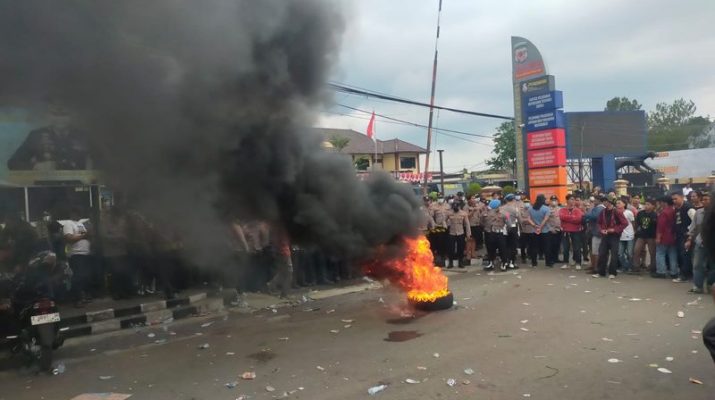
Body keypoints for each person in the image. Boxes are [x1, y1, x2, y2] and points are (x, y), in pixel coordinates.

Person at [100, 204, 132, 300]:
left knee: (122, 272)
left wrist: (122, 237)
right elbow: (104, 236)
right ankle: (115, 292)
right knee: (114, 273)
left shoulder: (122, 222)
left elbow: (126, 234)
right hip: (111, 252)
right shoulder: (105, 222)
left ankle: (123, 292)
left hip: (122, 251)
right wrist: (118, 237)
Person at [63, 208, 92, 307]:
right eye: (77, 212)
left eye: (80, 212)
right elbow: (69, 238)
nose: (79, 214)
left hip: (85, 254)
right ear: (72, 212)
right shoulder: (68, 224)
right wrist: (84, 236)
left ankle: (83, 296)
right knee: (78, 277)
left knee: (84, 276)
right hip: (76, 254)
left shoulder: (80, 224)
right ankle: (77, 299)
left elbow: (85, 235)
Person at [594, 198, 629, 279]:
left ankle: (612, 272)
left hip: (614, 236)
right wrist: (601, 230)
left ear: (610, 203)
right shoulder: (603, 212)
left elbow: (625, 223)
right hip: (605, 235)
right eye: (604, 201)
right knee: (602, 253)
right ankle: (601, 272)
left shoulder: (617, 212)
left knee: (614, 255)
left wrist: (615, 229)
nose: (605, 203)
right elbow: (599, 222)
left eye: (606, 201)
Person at [689, 192, 713, 294]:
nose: (704, 202)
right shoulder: (698, 213)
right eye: (703, 200)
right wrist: (689, 239)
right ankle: (698, 286)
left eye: (707, 199)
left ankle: (710, 285)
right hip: (700, 242)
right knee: (697, 265)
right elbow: (693, 228)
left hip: (712, 244)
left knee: (712, 266)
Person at [672, 192, 696, 283]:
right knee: (682, 255)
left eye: (676, 198)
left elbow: (695, 221)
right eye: (673, 199)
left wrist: (690, 236)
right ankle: (686, 274)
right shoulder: (677, 208)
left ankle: (685, 275)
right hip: (679, 235)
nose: (674, 201)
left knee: (685, 255)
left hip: (687, 235)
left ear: (682, 197)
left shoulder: (688, 208)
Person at [654, 196, 679, 279]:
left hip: (664, 236)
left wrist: (658, 237)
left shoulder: (664, 212)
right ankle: (674, 272)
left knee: (660, 253)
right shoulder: (674, 210)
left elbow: (661, 226)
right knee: (673, 254)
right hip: (673, 236)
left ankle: (661, 272)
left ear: (665, 203)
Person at [559, 194, 584, 270]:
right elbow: (562, 217)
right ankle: (565, 263)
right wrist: (572, 218)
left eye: (573, 199)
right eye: (571, 199)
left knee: (577, 247)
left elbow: (578, 219)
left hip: (576, 231)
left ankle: (578, 262)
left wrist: (568, 219)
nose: (573, 201)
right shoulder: (562, 210)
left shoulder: (578, 210)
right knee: (566, 248)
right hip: (565, 231)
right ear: (567, 200)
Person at [632, 198, 657, 275]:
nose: (646, 206)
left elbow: (657, 226)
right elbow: (636, 223)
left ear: (653, 206)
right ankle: (636, 267)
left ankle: (653, 267)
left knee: (652, 252)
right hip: (641, 236)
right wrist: (636, 230)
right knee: (636, 250)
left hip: (651, 236)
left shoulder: (655, 215)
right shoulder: (640, 213)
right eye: (645, 204)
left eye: (648, 204)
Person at [482, 199, 507, 271]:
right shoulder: (505, 213)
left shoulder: (485, 213)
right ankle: (501, 263)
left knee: (492, 249)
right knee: (500, 249)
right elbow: (508, 223)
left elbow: (481, 222)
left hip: (492, 233)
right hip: (497, 233)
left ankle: (493, 263)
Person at [526, 194, 550, 268]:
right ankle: (548, 263)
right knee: (546, 247)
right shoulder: (546, 208)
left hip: (534, 230)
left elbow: (528, 219)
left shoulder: (530, 208)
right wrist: (540, 227)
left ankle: (534, 263)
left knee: (534, 247)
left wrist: (534, 225)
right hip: (545, 230)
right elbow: (545, 219)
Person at [584, 195, 607, 274]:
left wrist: (587, 212)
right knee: (595, 250)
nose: (593, 202)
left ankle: (596, 268)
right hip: (597, 232)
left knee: (596, 251)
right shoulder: (601, 208)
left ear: (598, 200)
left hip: (597, 232)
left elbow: (591, 216)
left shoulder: (599, 208)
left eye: (594, 201)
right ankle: (595, 266)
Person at [446, 200, 471, 269]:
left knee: (461, 248)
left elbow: (467, 224)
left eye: (456, 207)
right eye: (454, 207)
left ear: (459, 206)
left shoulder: (463, 213)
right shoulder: (449, 213)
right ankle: (450, 262)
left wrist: (468, 234)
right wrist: (445, 225)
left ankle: (461, 262)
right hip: (452, 233)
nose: (455, 208)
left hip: (460, 232)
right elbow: (444, 220)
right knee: (451, 248)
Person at [501, 194, 520, 269]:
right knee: (513, 246)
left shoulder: (501, 208)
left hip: (504, 228)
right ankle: (512, 262)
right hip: (513, 227)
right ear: (513, 200)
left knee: (505, 246)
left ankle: (505, 262)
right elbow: (519, 218)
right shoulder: (515, 209)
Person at [616, 199, 636, 273]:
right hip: (620, 235)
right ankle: (625, 266)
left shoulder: (629, 213)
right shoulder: (615, 212)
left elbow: (633, 222)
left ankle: (630, 267)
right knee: (620, 254)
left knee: (629, 253)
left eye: (619, 203)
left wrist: (634, 231)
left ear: (624, 204)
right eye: (616, 203)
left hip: (629, 235)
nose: (617, 205)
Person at [429, 197, 448, 267]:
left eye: (441, 198)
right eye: (439, 198)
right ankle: (439, 256)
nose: (440, 199)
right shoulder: (434, 206)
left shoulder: (447, 205)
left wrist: (447, 223)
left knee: (446, 242)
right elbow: (431, 216)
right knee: (439, 242)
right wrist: (433, 224)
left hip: (446, 226)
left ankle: (445, 255)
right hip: (438, 227)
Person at [545, 195, 562, 268]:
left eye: (555, 200)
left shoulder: (560, 209)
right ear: (550, 201)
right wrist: (551, 229)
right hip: (551, 230)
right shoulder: (547, 209)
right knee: (550, 246)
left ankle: (556, 258)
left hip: (559, 229)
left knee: (557, 245)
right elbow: (546, 221)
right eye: (552, 200)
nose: (554, 201)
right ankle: (551, 259)